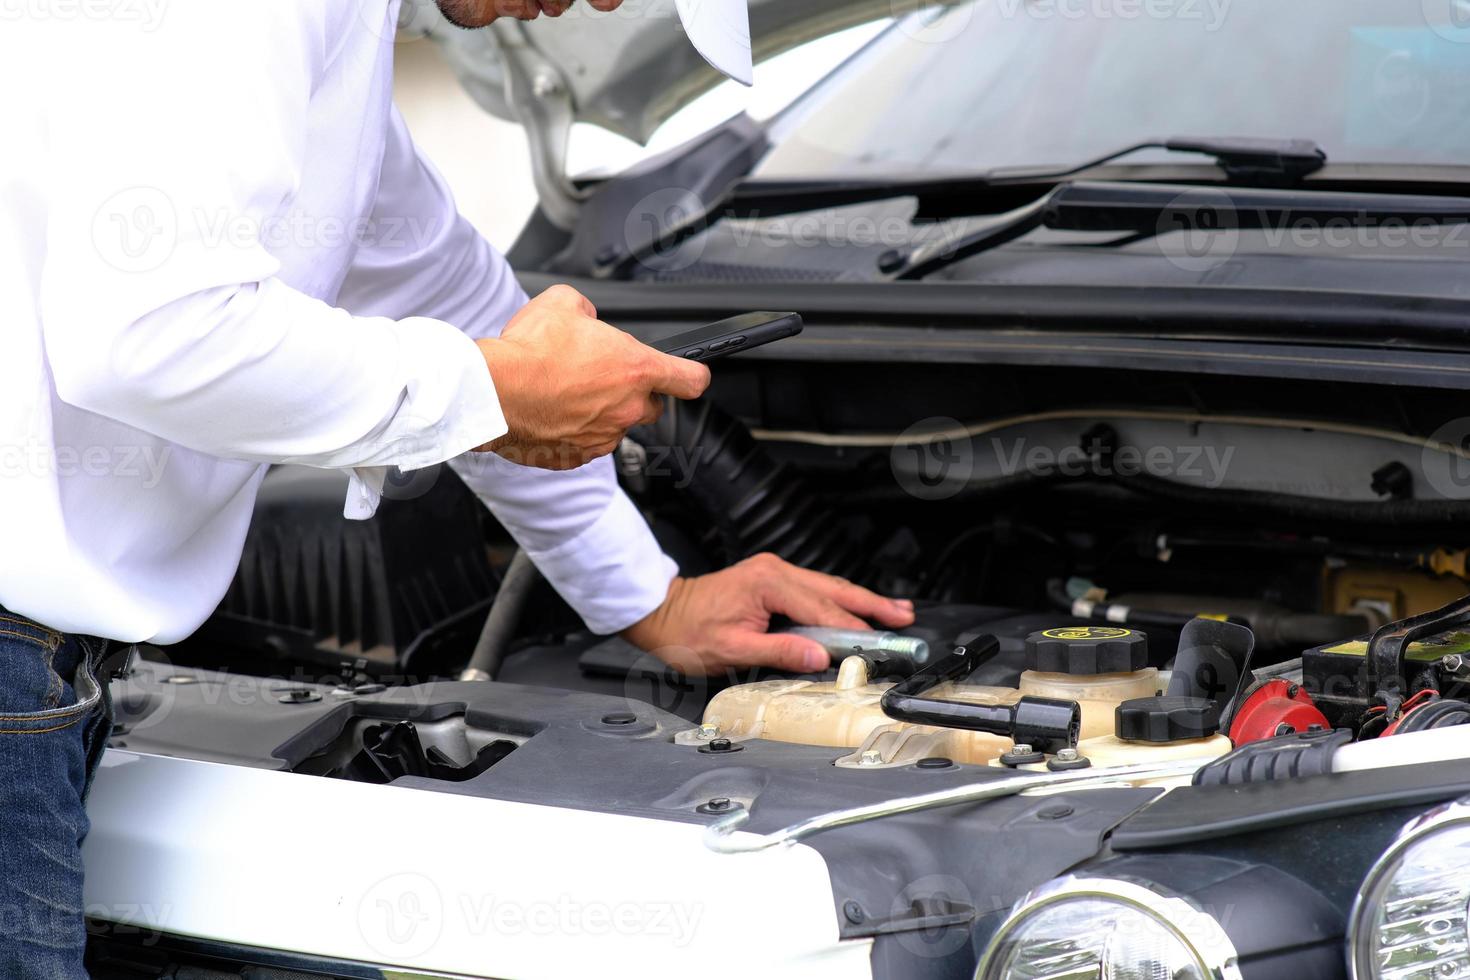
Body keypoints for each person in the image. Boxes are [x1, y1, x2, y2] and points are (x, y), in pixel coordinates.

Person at [0, 0, 914, 974]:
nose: (602, 5)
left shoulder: (340, 48)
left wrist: (652, 597)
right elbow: (151, 337)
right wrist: (489, 389)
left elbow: (448, 294)